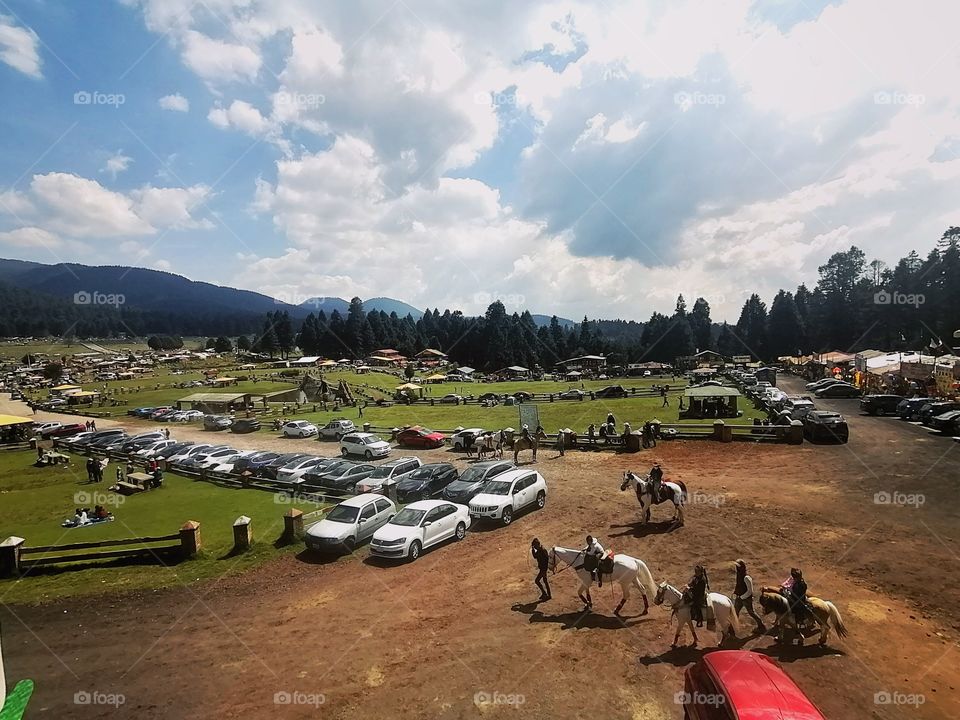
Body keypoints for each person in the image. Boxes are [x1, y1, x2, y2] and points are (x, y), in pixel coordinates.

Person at [733, 560, 765, 633]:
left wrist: (742, 597)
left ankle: (761, 626)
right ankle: (733, 627)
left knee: (751, 612)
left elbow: (750, 591)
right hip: (739, 597)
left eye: (738, 567)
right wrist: (735, 593)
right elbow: (738, 585)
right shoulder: (739, 576)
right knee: (735, 612)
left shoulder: (746, 578)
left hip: (746, 599)